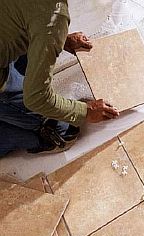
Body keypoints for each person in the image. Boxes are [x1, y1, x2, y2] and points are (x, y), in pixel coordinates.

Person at [0, 0, 120, 157]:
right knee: (63, 131)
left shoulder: (50, 16)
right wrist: (85, 111)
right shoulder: (54, 15)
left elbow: (20, 13)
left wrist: (55, 38)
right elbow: (36, 98)